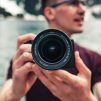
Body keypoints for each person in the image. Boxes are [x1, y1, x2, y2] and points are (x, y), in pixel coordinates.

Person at [0, 0, 101, 101]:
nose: (83, 9)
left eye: (83, 3)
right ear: (49, 13)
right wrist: (14, 93)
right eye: (73, 3)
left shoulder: (94, 58)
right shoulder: (26, 57)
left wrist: (86, 98)